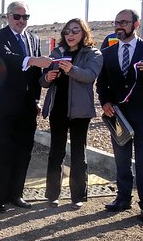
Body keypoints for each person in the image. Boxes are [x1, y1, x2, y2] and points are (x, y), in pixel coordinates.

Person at [96, 9, 143, 225]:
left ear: (136, 24)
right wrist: (105, 102)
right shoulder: (108, 52)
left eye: (124, 22)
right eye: (116, 22)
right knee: (121, 160)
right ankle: (123, 199)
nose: (119, 26)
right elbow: (102, 83)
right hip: (118, 116)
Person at [0, 1, 52, 213]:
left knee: (23, 150)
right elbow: (7, 59)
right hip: (2, 104)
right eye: (17, 17)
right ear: (8, 17)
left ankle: (16, 194)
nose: (21, 21)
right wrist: (32, 60)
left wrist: (36, 100)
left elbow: (34, 75)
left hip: (26, 105)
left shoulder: (33, 38)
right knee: (0, 151)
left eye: (26, 17)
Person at [40, 18, 103, 208]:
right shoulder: (57, 53)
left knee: (78, 154)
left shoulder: (93, 53)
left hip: (80, 112)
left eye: (75, 31)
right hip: (57, 109)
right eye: (67, 32)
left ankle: (78, 197)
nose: (70, 35)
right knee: (56, 153)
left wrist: (71, 69)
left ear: (84, 33)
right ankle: (52, 195)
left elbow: (90, 76)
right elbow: (42, 82)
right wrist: (47, 77)